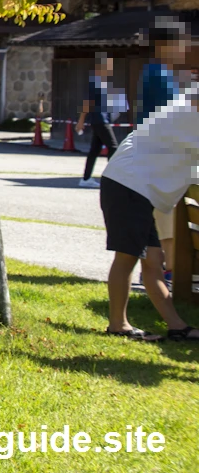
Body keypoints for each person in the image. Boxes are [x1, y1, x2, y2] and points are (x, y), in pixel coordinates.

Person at [99, 83, 199, 341]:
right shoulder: (189, 112)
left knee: (154, 260)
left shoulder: (184, 106)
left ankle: (177, 326)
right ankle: (118, 325)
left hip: (134, 184)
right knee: (127, 257)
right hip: (130, 184)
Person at [136, 19, 191, 277]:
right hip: (160, 155)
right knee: (165, 215)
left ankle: (161, 268)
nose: (185, 47)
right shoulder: (158, 74)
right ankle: (167, 270)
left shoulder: (161, 73)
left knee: (163, 215)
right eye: (180, 42)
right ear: (163, 46)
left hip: (160, 153)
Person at [75, 52, 117, 188]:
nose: (110, 69)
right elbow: (87, 102)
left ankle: (86, 178)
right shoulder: (96, 81)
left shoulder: (103, 82)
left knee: (94, 150)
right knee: (113, 147)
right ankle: (114, 179)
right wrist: (81, 120)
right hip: (100, 120)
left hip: (102, 118)